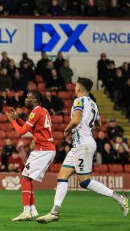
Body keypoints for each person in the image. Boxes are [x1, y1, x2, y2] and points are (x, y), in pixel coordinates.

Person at [37, 77, 129, 223]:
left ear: (79, 88)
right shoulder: (94, 104)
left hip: (82, 145)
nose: (74, 88)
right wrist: (87, 127)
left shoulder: (79, 101)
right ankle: (54, 212)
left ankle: (119, 198)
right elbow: (98, 123)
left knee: (84, 182)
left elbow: (76, 120)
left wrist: (67, 130)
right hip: (79, 145)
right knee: (62, 176)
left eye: (75, 86)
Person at [6, 90, 56, 221]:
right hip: (46, 149)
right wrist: (17, 118)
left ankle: (26, 211)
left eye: (28, 97)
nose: (25, 99)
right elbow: (33, 129)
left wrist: (12, 121)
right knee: (28, 177)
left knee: (25, 179)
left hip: (43, 149)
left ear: (35, 100)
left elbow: (22, 132)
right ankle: (33, 210)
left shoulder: (36, 111)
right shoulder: (43, 111)